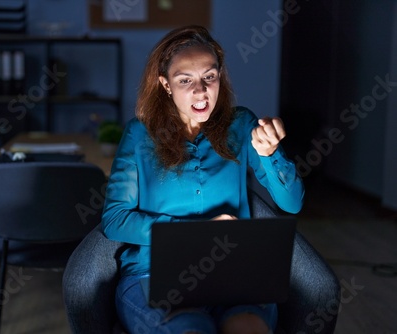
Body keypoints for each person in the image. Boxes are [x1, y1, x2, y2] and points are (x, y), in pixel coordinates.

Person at [101, 25, 304, 334]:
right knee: (191, 328)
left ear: (219, 77)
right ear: (165, 85)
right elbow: (115, 219)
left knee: (248, 328)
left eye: (209, 77)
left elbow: (292, 203)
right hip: (153, 274)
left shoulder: (241, 124)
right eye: (185, 80)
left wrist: (271, 153)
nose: (201, 91)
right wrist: (197, 232)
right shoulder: (140, 134)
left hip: (233, 273)